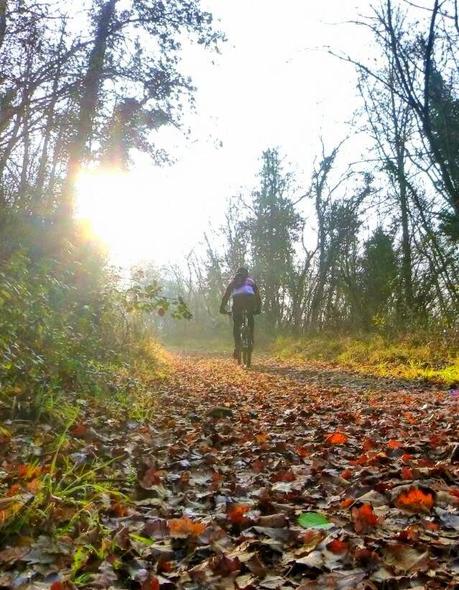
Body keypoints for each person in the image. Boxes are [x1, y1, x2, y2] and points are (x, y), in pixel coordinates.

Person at [219, 267, 262, 358]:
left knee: (237, 324)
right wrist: (258, 309)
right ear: (247, 274)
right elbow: (258, 296)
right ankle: (251, 338)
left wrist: (222, 308)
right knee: (250, 317)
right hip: (250, 300)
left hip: (237, 301)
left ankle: (237, 346)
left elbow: (226, 296)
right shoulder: (251, 281)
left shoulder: (234, 281)